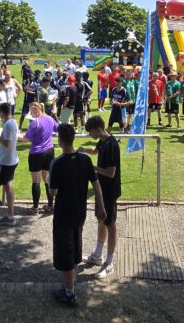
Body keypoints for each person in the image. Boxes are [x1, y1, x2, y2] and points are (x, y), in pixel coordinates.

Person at [49, 123, 105, 307]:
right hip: (80, 212)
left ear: (60, 140)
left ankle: (69, 293)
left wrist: (50, 182)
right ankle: (70, 284)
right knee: (75, 245)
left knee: (65, 251)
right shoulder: (85, 160)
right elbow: (96, 184)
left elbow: (53, 192)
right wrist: (100, 206)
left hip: (63, 214)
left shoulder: (57, 163)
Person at [79, 115, 121, 278]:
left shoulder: (111, 144)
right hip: (101, 189)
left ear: (97, 129)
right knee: (101, 219)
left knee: (111, 224)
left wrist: (92, 168)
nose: (90, 135)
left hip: (109, 191)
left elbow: (111, 173)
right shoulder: (102, 141)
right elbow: (95, 151)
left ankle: (109, 262)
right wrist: (83, 150)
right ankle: (97, 255)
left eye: (91, 132)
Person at [20, 102, 56, 214]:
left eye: (31, 112)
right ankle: (50, 205)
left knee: (36, 181)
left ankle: (35, 208)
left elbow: (26, 139)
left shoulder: (34, 123)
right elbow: (57, 128)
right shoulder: (50, 118)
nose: (30, 114)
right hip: (49, 151)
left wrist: (15, 135)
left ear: (36, 110)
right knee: (47, 179)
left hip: (36, 154)